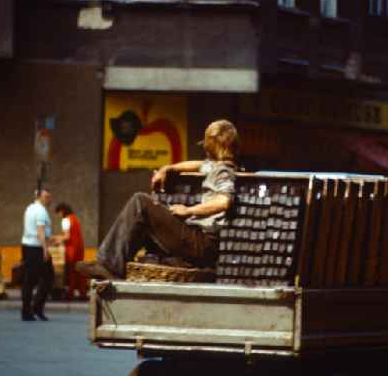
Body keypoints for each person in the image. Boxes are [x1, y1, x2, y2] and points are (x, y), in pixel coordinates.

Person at [77, 119, 238, 280]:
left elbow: (224, 201)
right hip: (199, 241)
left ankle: (109, 265)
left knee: (141, 202)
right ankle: (115, 263)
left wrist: (189, 211)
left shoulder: (223, 171)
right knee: (147, 215)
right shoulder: (216, 166)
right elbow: (198, 165)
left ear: (213, 143)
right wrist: (167, 168)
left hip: (202, 242)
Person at [21, 187, 54, 321]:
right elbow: (40, 230)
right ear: (39, 197)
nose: (49, 200)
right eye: (46, 197)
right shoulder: (41, 211)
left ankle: (29, 310)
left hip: (27, 246)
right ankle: (34, 309)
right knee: (46, 278)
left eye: (49, 197)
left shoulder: (30, 208)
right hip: (36, 248)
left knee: (31, 279)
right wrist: (45, 249)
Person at [53, 203, 87, 300]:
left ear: (62, 211)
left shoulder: (65, 220)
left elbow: (67, 236)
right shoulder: (75, 219)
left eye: (59, 213)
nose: (59, 215)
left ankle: (70, 294)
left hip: (71, 249)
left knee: (71, 272)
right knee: (79, 272)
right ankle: (82, 293)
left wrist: (56, 239)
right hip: (79, 248)